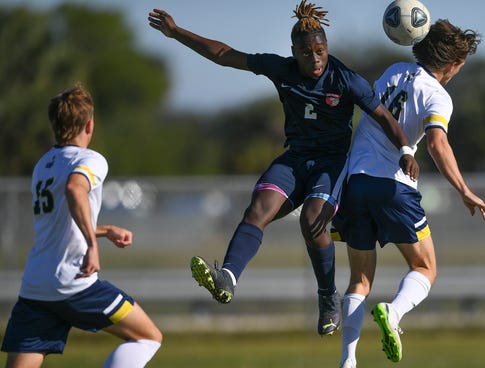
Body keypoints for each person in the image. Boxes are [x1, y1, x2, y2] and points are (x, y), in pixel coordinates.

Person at [148, 1, 414, 336]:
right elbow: (224, 54)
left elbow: (385, 118)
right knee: (257, 209)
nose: (314, 59)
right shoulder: (281, 69)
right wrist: (175, 33)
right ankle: (227, 278)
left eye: (320, 51)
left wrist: (405, 149)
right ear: (294, 52)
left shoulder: (346, 79)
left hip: (331, 164)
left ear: (327, 48)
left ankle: (327, 296)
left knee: (311, 220)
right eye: (306, 52)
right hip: (295, 158)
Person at [331, 19, 485, 368]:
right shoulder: (438, 95)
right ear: (452, 63)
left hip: (354, 184)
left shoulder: (392, 71)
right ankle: (395, 312)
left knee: (359, 280)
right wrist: (464, 190)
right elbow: (437, 144)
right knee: (424, 269)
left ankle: (347, 363)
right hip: (393, 187)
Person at [0, 84, 163, 368]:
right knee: (148, 337)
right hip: (73, 284)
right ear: (89, 124)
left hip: (37, 286)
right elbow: (76, 190)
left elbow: (59, 222)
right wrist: (93, 245)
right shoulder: (91, 160)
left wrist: (103, 231)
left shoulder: (44, 163)